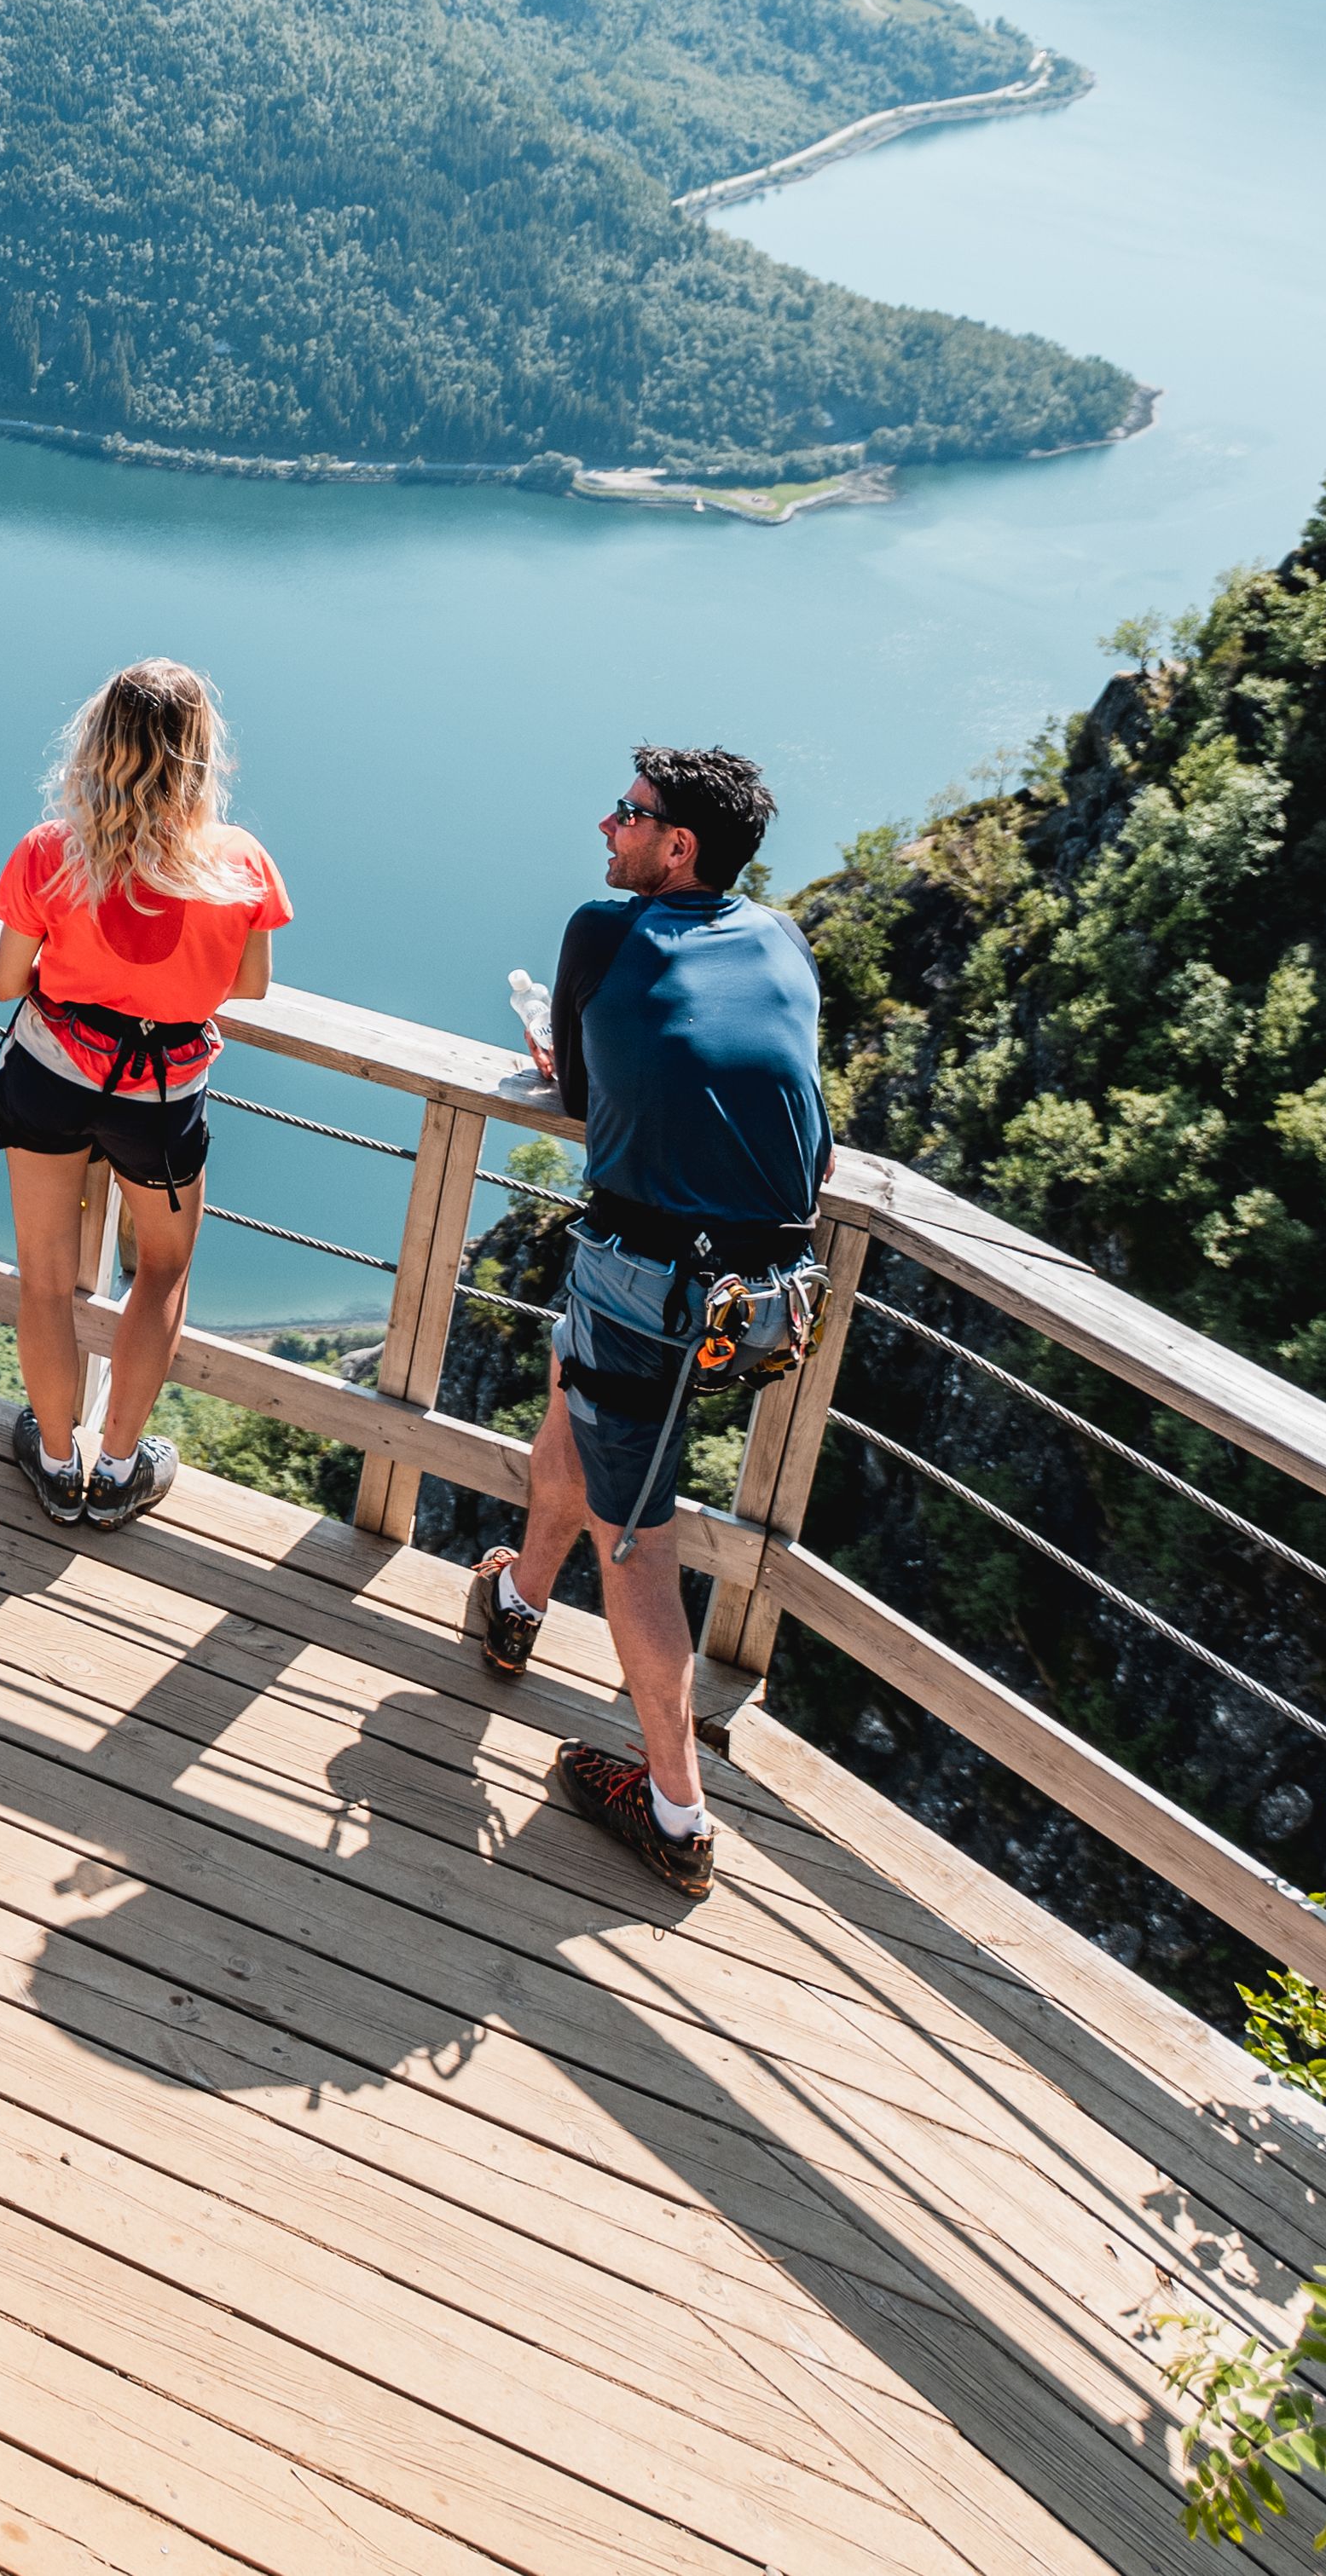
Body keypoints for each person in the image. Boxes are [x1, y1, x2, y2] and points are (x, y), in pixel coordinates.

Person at [461, 741, 830, 1909]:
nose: (605, 829)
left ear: (679, 846)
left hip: (653, 1275)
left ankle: (675, 1809)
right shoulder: (780, 936)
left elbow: (575, 1087)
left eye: (628, 814)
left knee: (642, 1540)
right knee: (580, 1398)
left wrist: (570, 1063)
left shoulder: (602, 929)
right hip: (768, 1293)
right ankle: (517, 1598)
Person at [0, 659, 287, 1535]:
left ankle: (50, 1458)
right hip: (158, 1097)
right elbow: (251, 986)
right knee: (160, 1270)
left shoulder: (50, 850)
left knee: (43, 1278)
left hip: (48, 1076)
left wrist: (76, 970)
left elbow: (9, 979)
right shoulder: (237, 863)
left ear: (97, 742)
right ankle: (116, 1469)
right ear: (199, 753)